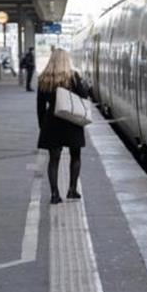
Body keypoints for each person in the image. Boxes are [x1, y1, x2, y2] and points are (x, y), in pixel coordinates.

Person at [36, 49, 90, 204]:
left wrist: (42, 126)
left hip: (52, 123)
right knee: (76, 156)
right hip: (72, 121)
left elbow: (40, 107)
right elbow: (84, 96)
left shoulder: (44, 78)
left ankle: (54, 194)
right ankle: (72, 190)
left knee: (53, 160)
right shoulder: (73, 77)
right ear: (67, 60)